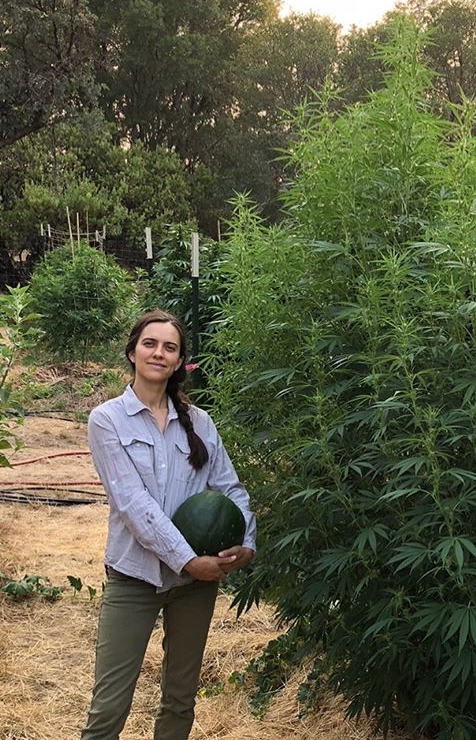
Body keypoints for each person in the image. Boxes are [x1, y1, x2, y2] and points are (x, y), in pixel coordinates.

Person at [80, 309, 256, 740]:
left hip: (195, 586)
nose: (159, 353)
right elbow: (133, 504)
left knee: (180, 700)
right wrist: (187, 560)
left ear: (179, 362)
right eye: (150, 343)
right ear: (132, 352)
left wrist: (246, 544)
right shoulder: (107, 420)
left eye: (170, 347)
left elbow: (230, 487)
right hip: (133, 577)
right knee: (109, 707)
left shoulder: (199, 422)